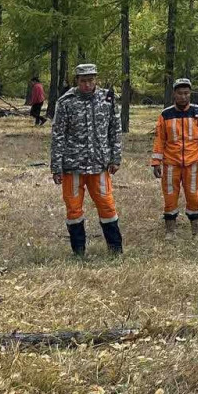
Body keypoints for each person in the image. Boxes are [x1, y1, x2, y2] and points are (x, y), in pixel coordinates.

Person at [49, 62, 123, 257]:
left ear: (96, 79)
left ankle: (115, 250)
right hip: (72, 165)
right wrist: (56, 167)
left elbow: (114, 130)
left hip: (99, 164)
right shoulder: (66, 101)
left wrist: (116, 158)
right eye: (83, 81)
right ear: (77, 81)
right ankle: (79, 251)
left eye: (91, 80)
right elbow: (58, 135)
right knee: (73, 209)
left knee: (107, 205)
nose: (87, 85)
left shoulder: (107, 98)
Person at [152, 77, 198, 237]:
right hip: (171, 163)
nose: (183, 96)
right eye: (180, 93)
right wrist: (156, 162)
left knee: (193, 195)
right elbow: (160, 139)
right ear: (174, 94)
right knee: (170, 196)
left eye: (186, 93)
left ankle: (196, 231)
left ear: (190, 94)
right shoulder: (165, 115)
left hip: (193, 163)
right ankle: (170, 231)